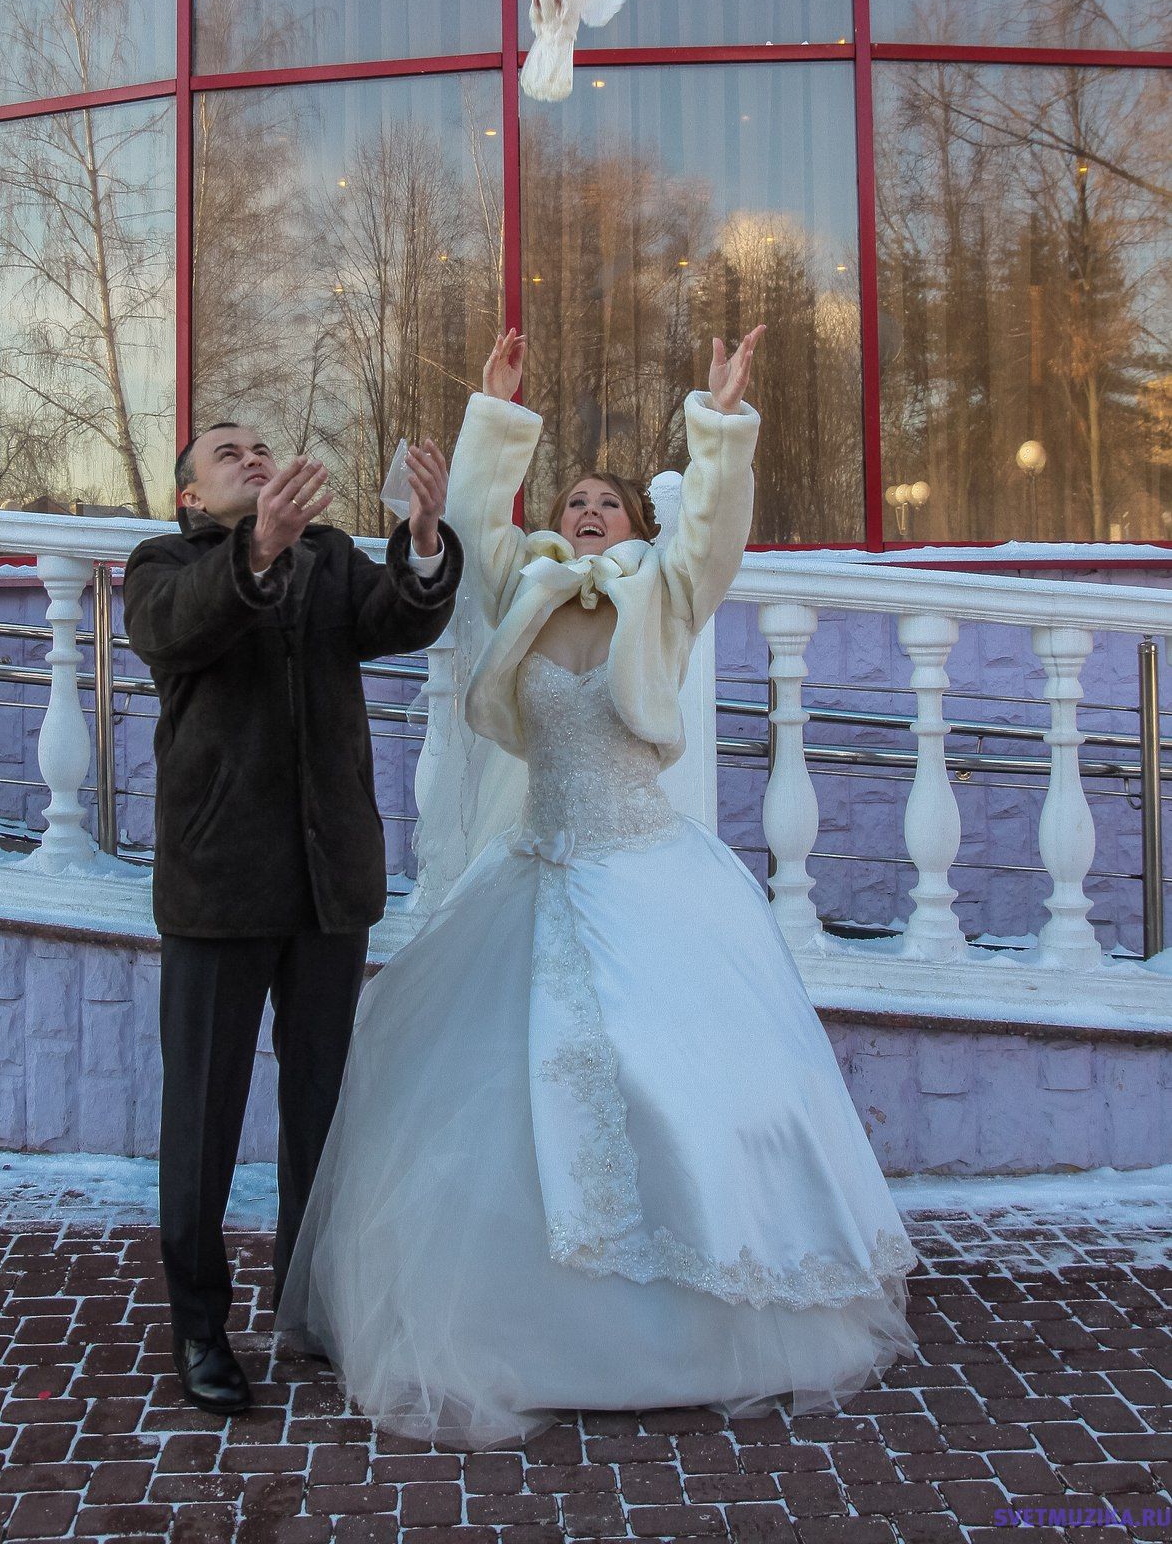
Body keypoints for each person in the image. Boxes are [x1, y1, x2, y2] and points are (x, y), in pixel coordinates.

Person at [276, 329, 918, 1448]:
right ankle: (522, 1327)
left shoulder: (664, 590)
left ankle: (693, 1323)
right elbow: (471, 532)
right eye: (572, 499)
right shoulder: (524, 589)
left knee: (666, 1078)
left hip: (648, 873)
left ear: (633, 525)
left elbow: (713, 531)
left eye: (605, 502)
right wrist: (494, 414)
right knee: (498, 1084)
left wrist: (720, 420)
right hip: (537, 867)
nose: (585, 511)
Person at [122, 422, 462, 1415]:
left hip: (328, 882)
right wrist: (256, 550)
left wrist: (423, 536)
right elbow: (175, 629)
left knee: (320, 1111)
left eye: (262, 445)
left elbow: (398, 621)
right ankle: (199, 1327)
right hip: (219, 885)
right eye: (226, 451)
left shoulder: (329, 555)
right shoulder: (162, 565)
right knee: (203, 1119)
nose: (253, 455)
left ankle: (309, 1306)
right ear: (191, 497)